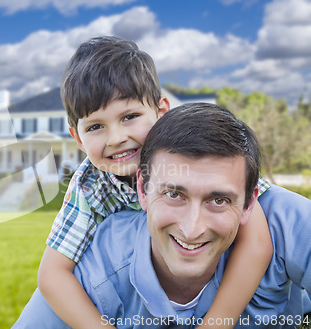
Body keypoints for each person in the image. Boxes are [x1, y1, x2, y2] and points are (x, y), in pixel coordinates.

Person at [37, 36, 272, 329]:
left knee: (281, 212)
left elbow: (257, 243)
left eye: (130, 116)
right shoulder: (89, 185)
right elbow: (52, 274)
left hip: (216, 285)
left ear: (161, 112)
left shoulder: (199, 152)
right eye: (96, 126)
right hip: (141, 296)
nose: (116, 138)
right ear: (78, 139)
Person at [13, 102, 311, 328]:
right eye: (174, 194)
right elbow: (52, 276)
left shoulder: (283, 219)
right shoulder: (100, 264)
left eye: (218, 199)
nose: (192, 229)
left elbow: (259, 243)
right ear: (141, 189)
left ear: (249, 202)